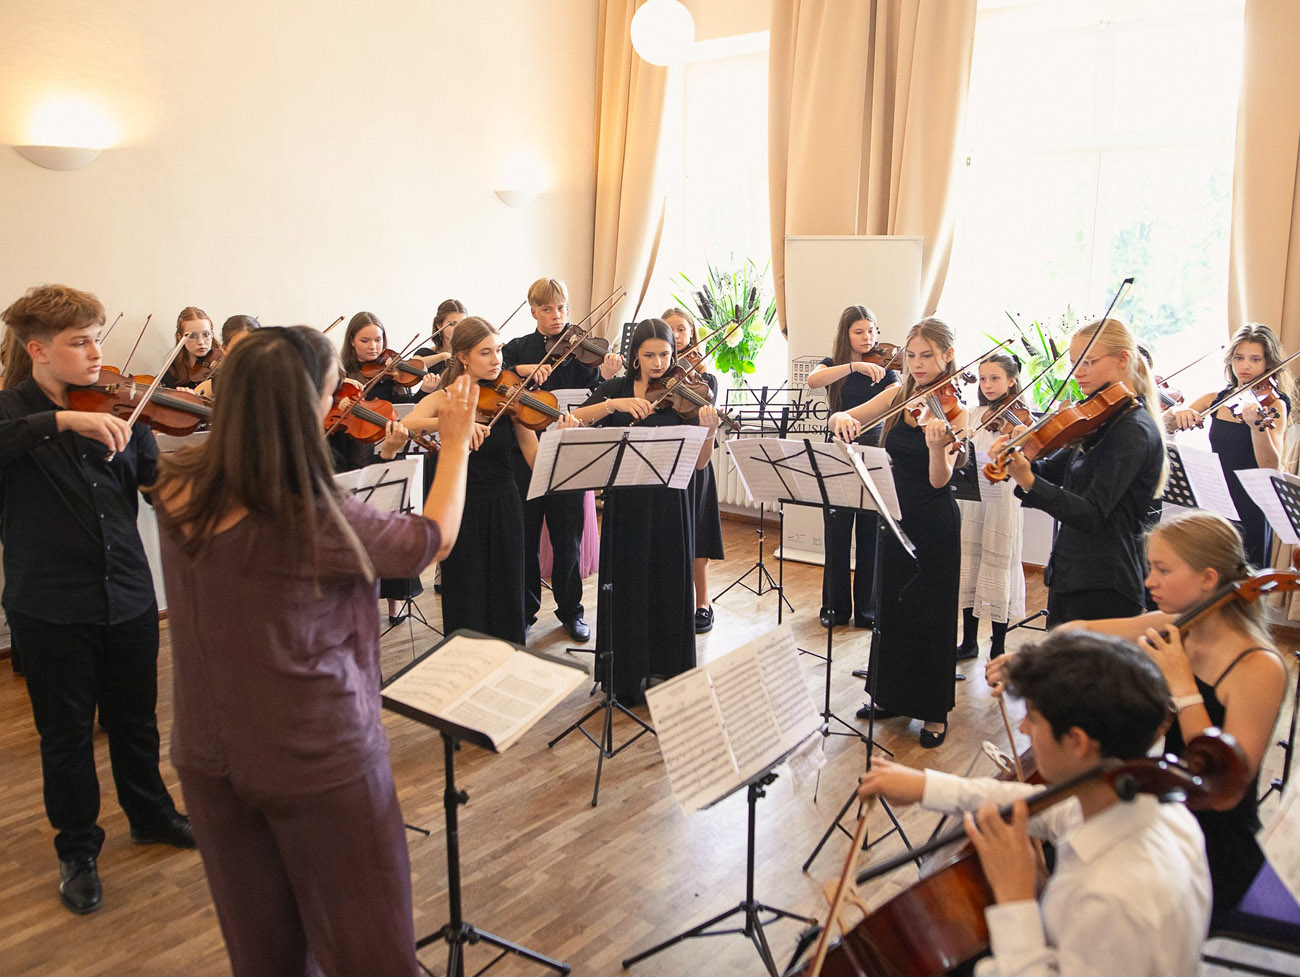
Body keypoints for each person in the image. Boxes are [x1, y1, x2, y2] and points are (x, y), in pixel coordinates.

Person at [153, 325, 474, 976]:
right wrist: (459, 443)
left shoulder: (176, 482)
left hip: (210, 756)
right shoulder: (312, 513)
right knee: (373, 953)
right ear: (308, 406)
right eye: (329, 395)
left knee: (265, 956)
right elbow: (433, 538)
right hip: (316, 754)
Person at [0, 284, 194, 916]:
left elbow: (152, 487)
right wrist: (62, 420)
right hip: (51, 607)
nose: (95, 352)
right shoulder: (11, 412)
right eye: (79, 341)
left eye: (97, 338)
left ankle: (151, 813)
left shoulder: (121, 407)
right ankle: (78, 847)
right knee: (66, 737)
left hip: (130, 595)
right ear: (38, 350)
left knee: (137, 720)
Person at [859, 630, 1212, 976]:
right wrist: (926, 786)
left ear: (1077, 741)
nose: (1024, 728)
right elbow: (1044, 805)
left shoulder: (1112, 897)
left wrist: (1016, 898)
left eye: (1034, 717)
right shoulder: (1154, 807)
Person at [995, 509, 1287, 922]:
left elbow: (1224, 786)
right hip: (1165, 804)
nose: (1149, 581)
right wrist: (1027, 661)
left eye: (1163, 569)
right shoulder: (1174, 625)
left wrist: (1181, 683)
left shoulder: (1259, 666)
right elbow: (1074, 630)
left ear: (1208, 578)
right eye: (1151, 567)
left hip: (1213, 841)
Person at [830, 317, 967, 747]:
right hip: (893, 514)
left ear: (947, 355)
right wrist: (842, 422)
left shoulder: (955, 410)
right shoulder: (899, 393)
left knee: (929, 614)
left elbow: (941, 481)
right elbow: (845, 416)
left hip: (933, 522)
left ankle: (932, 711)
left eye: (927, 355)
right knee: (892, 609)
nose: (918, 363)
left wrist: (935, 447)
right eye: (912, 355)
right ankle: (888, 695)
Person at [571, 318, 719, 704]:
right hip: (627, 503)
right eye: (650, 355)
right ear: (635, 354)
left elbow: (701, 463)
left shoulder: (687, 393)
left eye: (666, 355)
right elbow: (574, 419)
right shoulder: (617, 387)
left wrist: (709, 432)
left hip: (671, 501)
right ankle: (625, 675)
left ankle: (668, 672)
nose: (658, 363)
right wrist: (613, 404)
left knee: (670, 584)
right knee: (627, 583)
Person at [406, 316, 577, 644]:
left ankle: (506, 658)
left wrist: (562, 440)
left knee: (506, 587)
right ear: (464, 357)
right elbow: (411, 422)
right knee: (465, 587)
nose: (497, 359)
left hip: (504, 502)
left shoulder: (512, 398)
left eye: (498, 350)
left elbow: (535, 458)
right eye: (486, 352)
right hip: (461, 506)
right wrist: (453, 424)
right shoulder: (448, 398)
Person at [991, 317, 1166, 626]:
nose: (1078, 373)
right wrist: (1019, 459)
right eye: (1074, 363)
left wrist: (1028, 480)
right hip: (1072, 572)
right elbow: (1054, 470)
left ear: (1123, 359)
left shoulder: (1133, 430)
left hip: (1105, 581)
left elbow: (1092, 513)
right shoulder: (1098, 419)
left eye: (1089, 362)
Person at [503, 278, 622, 642]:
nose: (557, 316)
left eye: (562, 308)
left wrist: (605, 374)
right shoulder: (516, 349)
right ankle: (525, 610)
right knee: (524, 537)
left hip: (567, 453)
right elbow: (499, 383)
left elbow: (595, 399)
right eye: (548, 309)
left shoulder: (584, 354)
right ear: (534, 311)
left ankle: (571, 612)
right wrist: (525, 373)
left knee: (566, 539)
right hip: (522, 458)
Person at [1167, 322, 1293, 568]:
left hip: (1252, 504)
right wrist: (1177, 414)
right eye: (1239, 357)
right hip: (1216, 499)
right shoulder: (1216, 399)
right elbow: (1166, 423)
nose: (1245, 365)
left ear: (1268, 364)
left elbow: (1270, 465)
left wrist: (1257, 427)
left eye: (1255, 359)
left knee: (1243, 584)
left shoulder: (1274, 405)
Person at [807, 305, 901, 628]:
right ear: (846, 333)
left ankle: (867, 611)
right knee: (836, 533)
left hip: (874, 451)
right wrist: (852, 367)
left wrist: (852, 415)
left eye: (872, 330)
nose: (868, 337)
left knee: (870, 535)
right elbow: (813, 380)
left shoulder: (888, 367)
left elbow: (894, 397)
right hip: (837, 449)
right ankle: (834, 608)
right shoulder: (835, 364)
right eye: (859, 332)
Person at [333, 310, 424, 622]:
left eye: (378, 339)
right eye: (365, 340)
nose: (373, 346)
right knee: (363, 534)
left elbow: (407, 410)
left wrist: (423, 389)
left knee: (392, 530)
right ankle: (362, 599)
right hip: (355, 455)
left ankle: (395, 601)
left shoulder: (394, 377)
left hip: (390, 450)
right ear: (352, 343)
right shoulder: (342, 378)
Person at [957, 351, 1027, 661]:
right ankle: (969, 642)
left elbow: (1030, 461)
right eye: (983, 378)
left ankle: (998, 646)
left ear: (1012, 381)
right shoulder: (972, 415)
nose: (987, 384)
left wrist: (1020, 436)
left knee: (998, 570)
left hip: (1002, 502)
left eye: (995, 378)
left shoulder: (1022, 419)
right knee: (970, 567)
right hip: (973, 502)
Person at [662, 306, 725, 633]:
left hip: (696, 461)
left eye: (682, 330)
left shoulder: (705, 377)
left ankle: (703, 602)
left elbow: (706, 409)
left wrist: (695, 375)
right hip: (665, 462)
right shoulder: (656, 374)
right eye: (669, 329)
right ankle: (672, 600)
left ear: (692, 334)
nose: (677, 335)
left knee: (698, 534)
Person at [193, 314, 261, 399]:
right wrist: (186, 397)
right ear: (224, 349)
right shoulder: (213, 386)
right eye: (238, 347)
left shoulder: (271, 383)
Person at [160, 306, 223, 390]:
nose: (201, 342)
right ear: (180, 337)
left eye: (206, 334)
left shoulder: (223, 362)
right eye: (192, 336)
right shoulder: (172, 373)